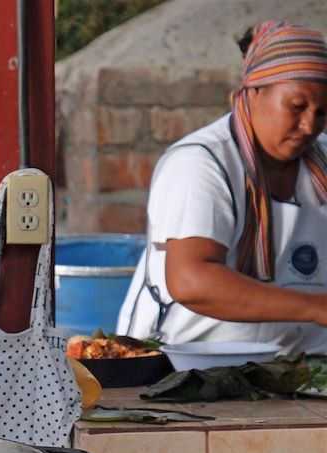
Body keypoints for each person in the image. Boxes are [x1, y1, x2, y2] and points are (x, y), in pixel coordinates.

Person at [117, 20, 327, 354]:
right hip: (189, 368)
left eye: (322, 112)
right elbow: (192, 281)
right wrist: (316, 307)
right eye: (297, 106)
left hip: (301, 368)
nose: (309, 125)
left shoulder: (322, 160)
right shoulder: (201, 163)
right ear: (254, 91)